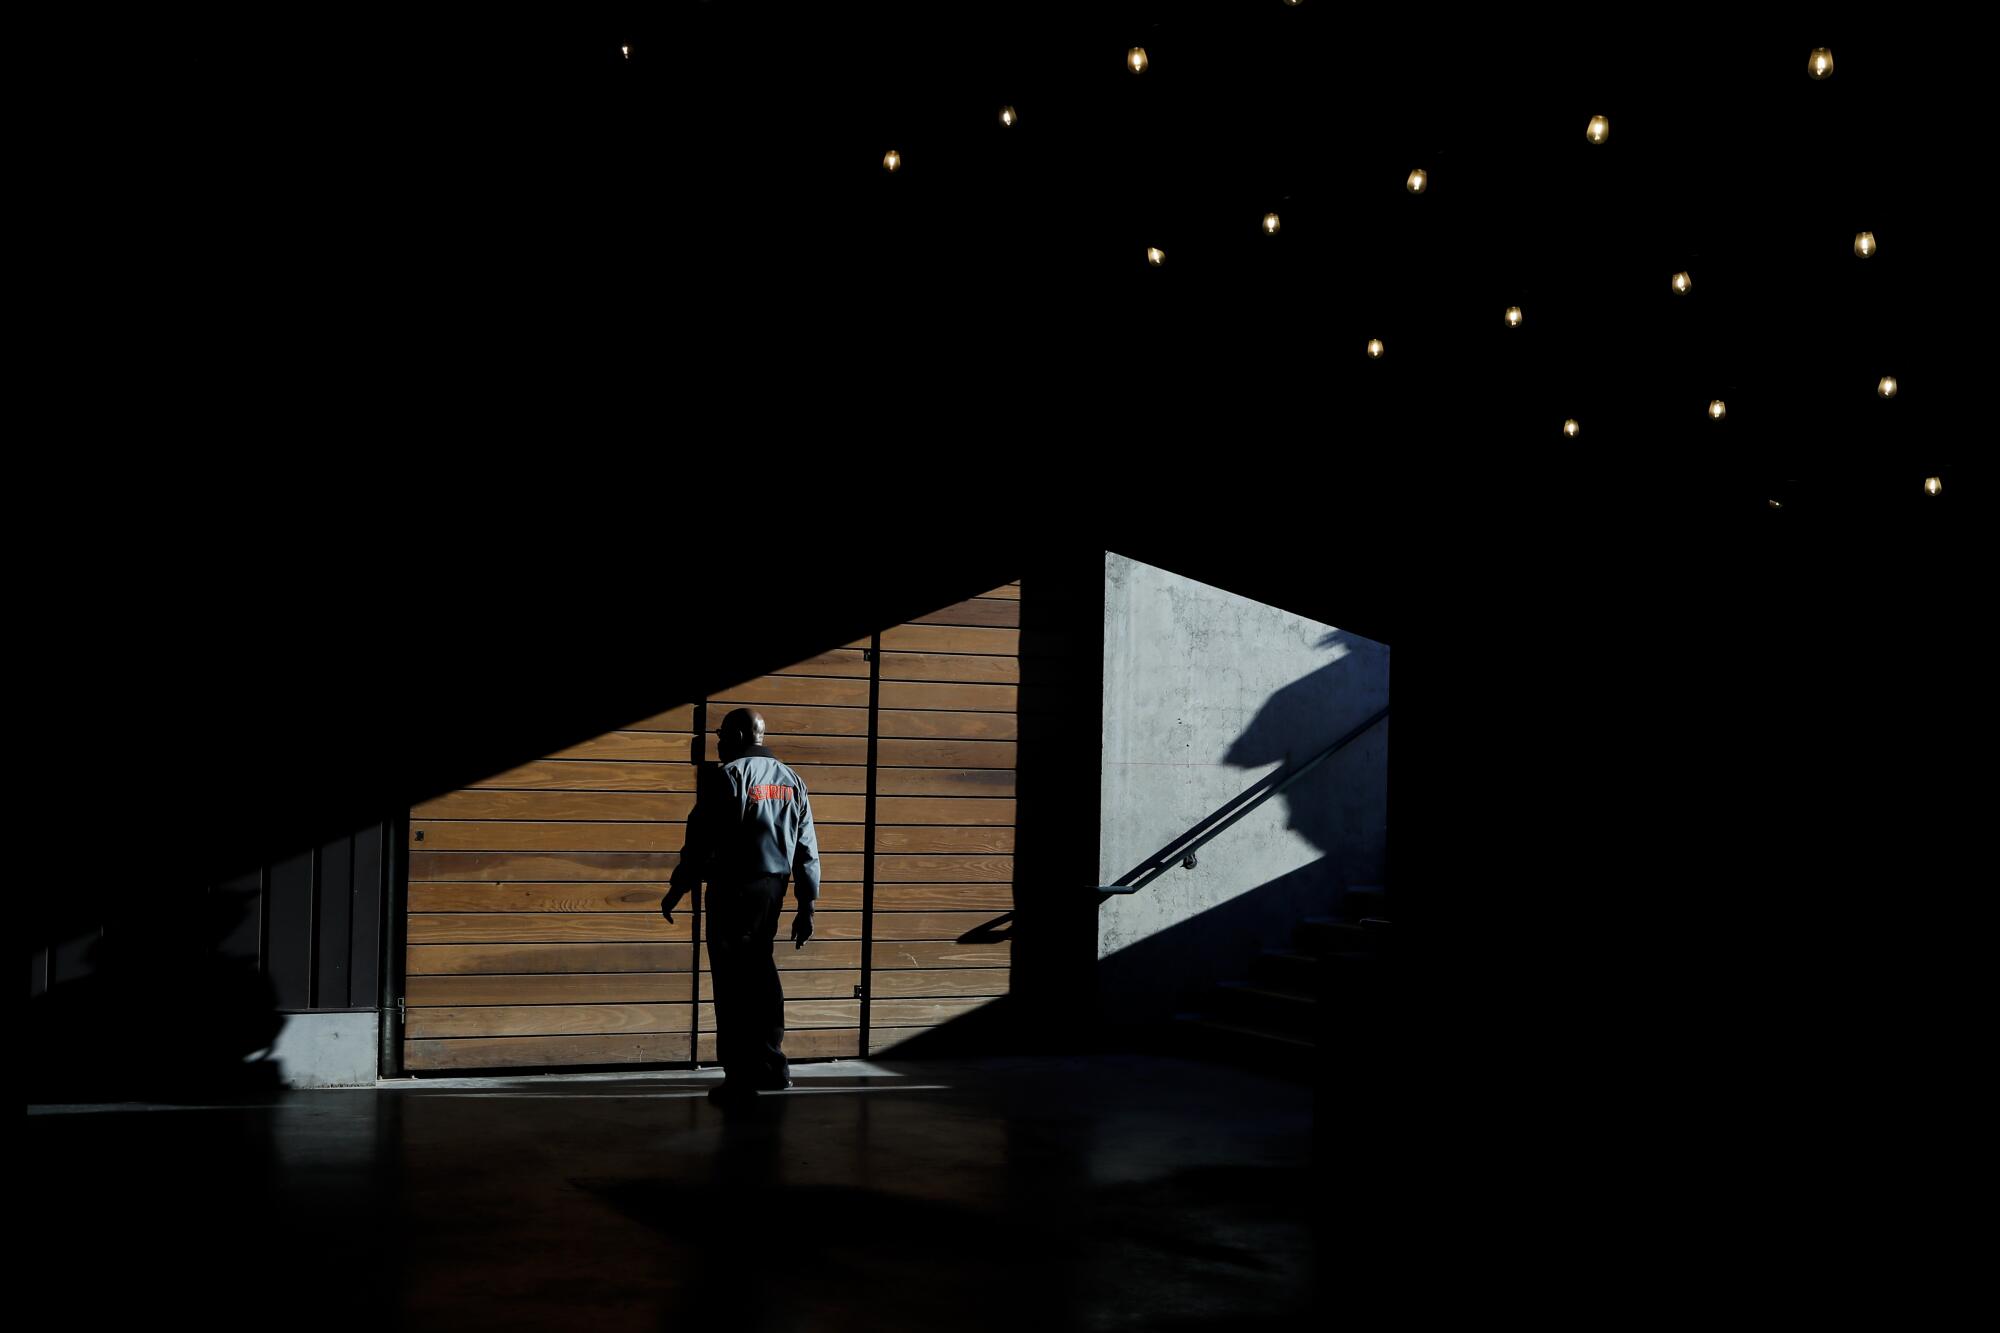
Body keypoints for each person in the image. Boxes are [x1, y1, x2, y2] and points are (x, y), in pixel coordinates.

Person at [662, 707, 820, 1104]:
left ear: (735, 736)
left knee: (732, 983)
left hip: (733, 889)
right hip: (773, 890)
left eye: (719, 735)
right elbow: (806, 849)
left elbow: (700, 840)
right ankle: (773, 1068)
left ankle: (738, 1078)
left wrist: (679, 886)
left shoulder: (729, 777)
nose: (716, 742)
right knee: (762, 974)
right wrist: (806, 905)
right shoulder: (792, 780)